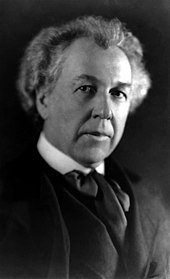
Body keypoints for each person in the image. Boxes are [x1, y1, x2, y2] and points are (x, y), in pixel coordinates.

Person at [0, 15, 169, 279]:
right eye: (87, 88)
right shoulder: (6, 200)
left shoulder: (151, 203)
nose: (105, 111)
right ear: (44, 99)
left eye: (118, 93)